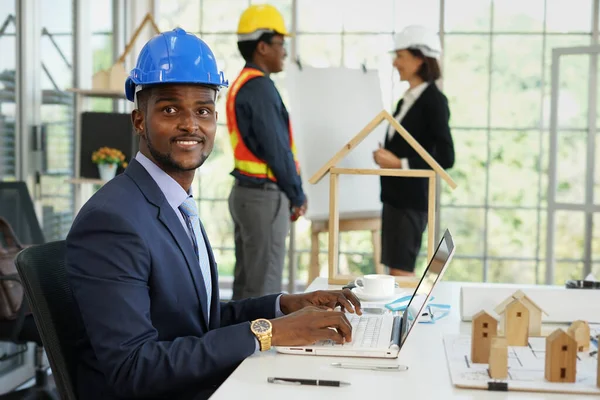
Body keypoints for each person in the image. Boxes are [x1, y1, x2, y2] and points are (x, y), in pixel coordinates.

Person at [65, 28, 359, 400]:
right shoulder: (112, 221)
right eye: (170, 109)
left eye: (202, 110)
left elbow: (195, 318)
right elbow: (132, 367)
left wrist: (285, 305)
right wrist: (269, 332)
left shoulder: (173, 202)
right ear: (139, 120)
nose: (190, 124)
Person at [227, 4, 307, 300]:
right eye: (281, 44)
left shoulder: (243, 84)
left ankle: (237, 345)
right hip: (263, 197)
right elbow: (278, 149)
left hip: (248, 194)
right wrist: (297, 195)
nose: (284, 51)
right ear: (262, 46)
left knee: (247, 285)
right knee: (264, 289)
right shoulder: (260, 88)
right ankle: (257, 348)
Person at [373, 25, 455, 277]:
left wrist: (400, 164)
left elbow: (446, 157)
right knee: (394, 271)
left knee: (401, 271)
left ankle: (405, 318)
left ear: (420, 59)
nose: (395, 63)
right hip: (394, 199)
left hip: (410, 201)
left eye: (400, 56)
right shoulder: (407, 99)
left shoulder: (433, 101)